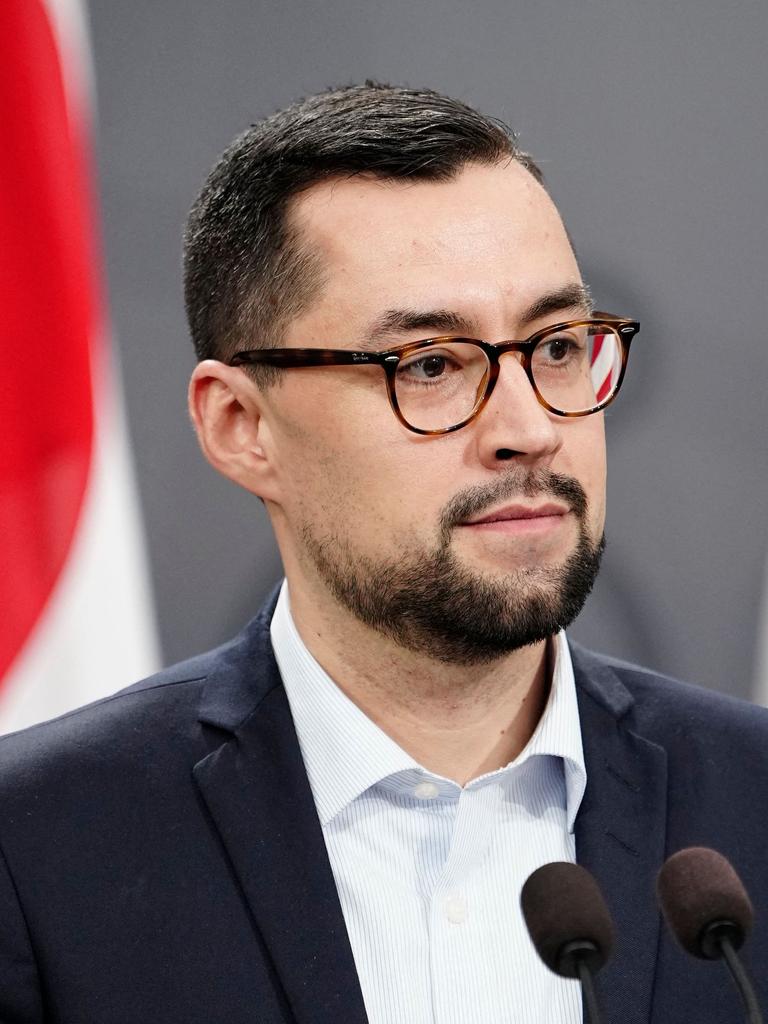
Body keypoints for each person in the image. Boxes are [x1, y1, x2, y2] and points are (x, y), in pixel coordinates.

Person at [0, 82, 766, 1024]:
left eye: (559, 348)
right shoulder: (36, 847)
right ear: (242, 424)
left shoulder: (753, 805)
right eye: (431, 365)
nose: (529, 430)